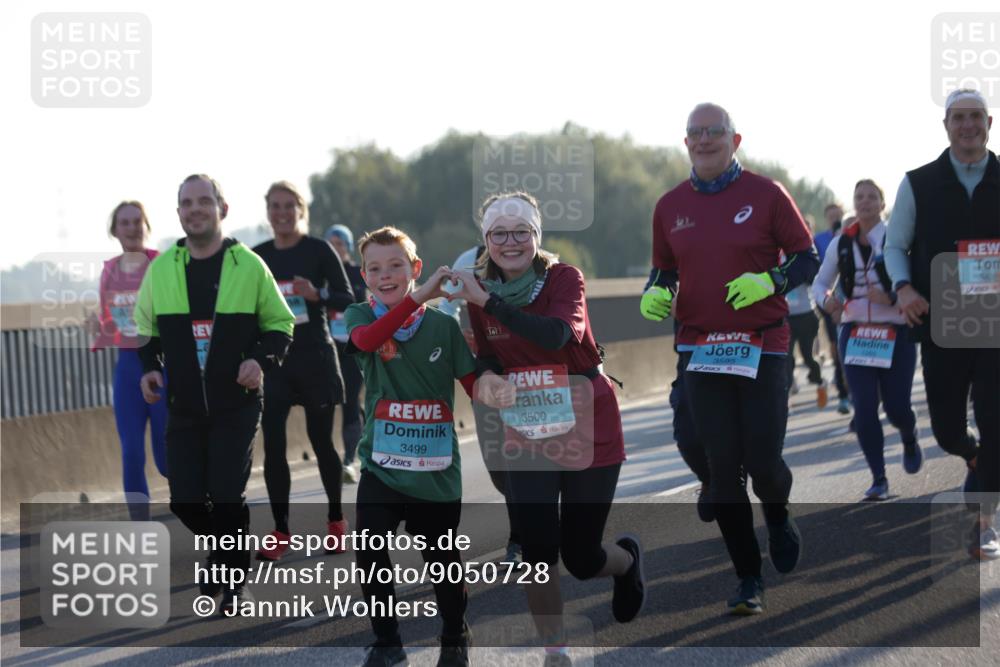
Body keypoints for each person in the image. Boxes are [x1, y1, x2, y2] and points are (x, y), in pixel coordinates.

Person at [451, 192, 646, 665]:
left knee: (581, 557)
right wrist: (491, 375)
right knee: (539, 551)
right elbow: (490, 356)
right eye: (499, 233)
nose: (511, 241)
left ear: (537, 236)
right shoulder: (480, 295)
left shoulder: (564, 278)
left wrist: (489, 301)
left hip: (589, 420)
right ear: (486, 240)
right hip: (527, 427)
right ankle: (555, 651)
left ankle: (625, 564)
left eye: (522, 231)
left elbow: (557, 335)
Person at [641, 103, 818, 614]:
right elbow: (664, 269)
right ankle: (748, 578)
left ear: (734, 140)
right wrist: (656, 291)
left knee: (762, 462)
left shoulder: (767, 194)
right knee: (721, 470)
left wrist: (771, 280)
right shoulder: (670, 205)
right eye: (694, 133)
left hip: (763, 343)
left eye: (713, 132)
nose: (703, 140)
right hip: (701, 347)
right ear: (686, 143)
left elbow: (808, 257)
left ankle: (779, 514)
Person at [135, 174, 295, 614]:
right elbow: (145, 331)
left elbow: (280, 326)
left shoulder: (247, 265)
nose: (195, 209)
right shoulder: (163, 268)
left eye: (204, 201)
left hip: (236, 404)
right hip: (183, 404)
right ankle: (224, 553)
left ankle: (234, 584)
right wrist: (150, 368)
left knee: (226, 495)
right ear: (179, 213)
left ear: (221, 209)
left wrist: (259, 361)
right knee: (186, 500)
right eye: (186, 203)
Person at [344, 226, 477, 667]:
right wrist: (419, 297)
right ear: (365, 276)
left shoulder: (443, 327)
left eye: (396, 265)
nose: (386, 275)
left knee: (441, 559)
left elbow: (475, 385)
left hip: (435, 469)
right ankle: (388, 642)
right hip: (381, 466)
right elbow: (365, 342)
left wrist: (503, 390)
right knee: (369, 547)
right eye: (375, 268)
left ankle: (455, 636)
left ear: (414, 268)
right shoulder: (359, 317)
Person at [884, 88, 999, 561]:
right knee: (948, 430)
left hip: (996, 326)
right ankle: (973, 457)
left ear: (989, 123)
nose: (967, 125)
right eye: (959, 117)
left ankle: (984, 523)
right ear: (946, 125)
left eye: (976, 116)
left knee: (997, 426)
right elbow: (895, 246)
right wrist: (904, 288)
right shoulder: (918, 182)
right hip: (941, 323)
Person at [251, 182, 356, 561]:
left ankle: (336, 520)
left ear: (301, 209)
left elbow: (348, 295)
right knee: (274, 447)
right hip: (276, 361)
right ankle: (280, 531)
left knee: (322, 441)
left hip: (315, 357)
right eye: (275, 206)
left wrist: (318, 295)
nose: (282, 212)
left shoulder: (319, 249)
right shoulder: (257, 256)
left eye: (289, 205)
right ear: (267, 210)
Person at [813, 179, 923, 501]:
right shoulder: (840, 244)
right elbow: (820, 284)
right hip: (856, 331)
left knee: (897, 407)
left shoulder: (898, 237)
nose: (865, 202)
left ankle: (908, 434)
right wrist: (828, 301)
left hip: (895, 331)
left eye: (871, 197)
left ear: (883, 203)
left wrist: (891, 297)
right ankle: (879, 478)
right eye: (859, 197)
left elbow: (917, 280)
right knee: (863, 407)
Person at [442, 243, 523, 563]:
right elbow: (448, 305)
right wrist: (458, 332)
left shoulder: (538, 258)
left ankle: (521, 538)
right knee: (497, 463)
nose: (507, 237)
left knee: (524, 461)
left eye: (515, 225)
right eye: (497, 228)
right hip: (486, 371)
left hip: (529, 373)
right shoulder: (469, 260)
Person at [89, 201, 167, 521]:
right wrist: (97, 328)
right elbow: (111, 325)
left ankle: (202, 510)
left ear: (147, 226)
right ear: (115, 230)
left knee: (167, 459)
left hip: (162, 366)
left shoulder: (160, 265)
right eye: (125, 223)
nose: (133, 227)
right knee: (132, 451)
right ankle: (141, 528)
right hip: (127, 368)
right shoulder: (109, 270)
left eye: (138, 221)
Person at [325, 224, 368, 483]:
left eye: (339, 244)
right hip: (329, 348)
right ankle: (360, 441)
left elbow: (358, 300)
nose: (335, 249)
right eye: (330, 244)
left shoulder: (356, 272)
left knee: (350, 399)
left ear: (348, 247)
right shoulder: (321, 275)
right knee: (342, 402)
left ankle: (349, 460)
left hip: (355, 346)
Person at [814, 203, 852, 414]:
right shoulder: (820, 240)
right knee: (838, 351)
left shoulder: (859, 235)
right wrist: (826, 299)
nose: (835, 218)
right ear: (826, 218)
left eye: (838, 215)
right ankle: (844, 396)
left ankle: (866, 396)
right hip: (832, 303)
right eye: (831, 216)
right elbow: (817, 273)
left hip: (861, 306)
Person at [784, 281, 827, 407]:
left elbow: (816, 281)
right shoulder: (777, 263)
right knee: (786, 357)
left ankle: (820, 382)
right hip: (787, 318)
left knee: (807, 356)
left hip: (806, 316)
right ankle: (787, 391)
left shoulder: (802, 263)